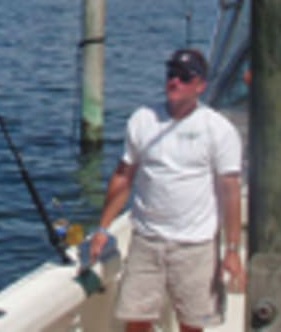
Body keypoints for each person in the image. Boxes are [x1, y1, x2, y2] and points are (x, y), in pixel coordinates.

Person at [88, 48, 244, 331]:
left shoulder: (218, 129)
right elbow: (124, 175)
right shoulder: (142, 119)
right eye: (172, 74)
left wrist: (232, 249)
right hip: (147, 241)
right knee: (135, 321)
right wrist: (102, 228)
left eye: (185, 77)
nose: (175, 81)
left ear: (200, 85)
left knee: (192, 324)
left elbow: (230, 191)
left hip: (196, 246)